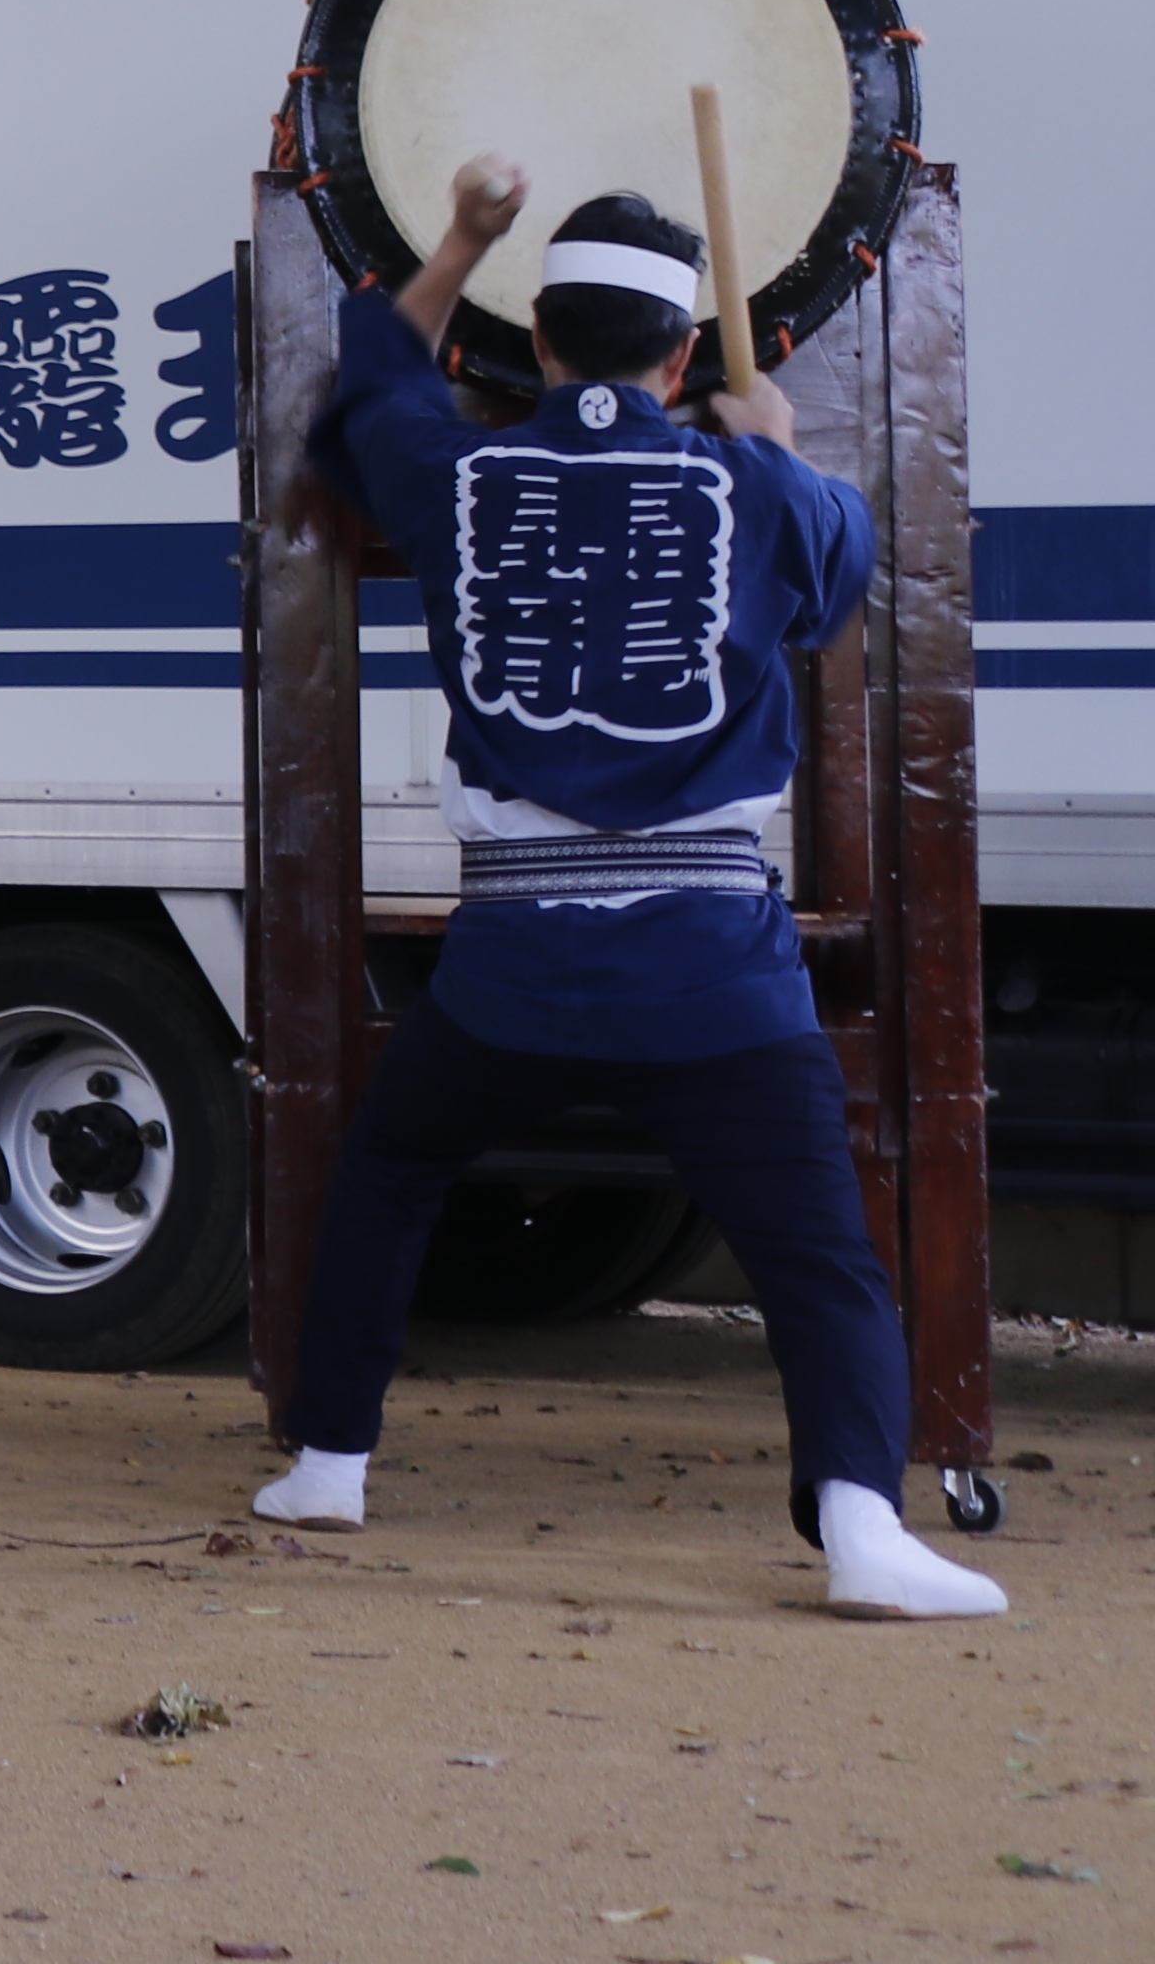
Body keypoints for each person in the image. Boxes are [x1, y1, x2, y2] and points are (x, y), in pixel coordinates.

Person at [253, 165, 1005, 1619]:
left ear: (538, 339)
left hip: (513, 967)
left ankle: (331, 1458)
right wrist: (775, 440)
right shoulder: (767, 490)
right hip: (712, 971)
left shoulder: (456, 474)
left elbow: (375, 378)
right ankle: (863, 1529)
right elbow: (835, 582)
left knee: (391, 1172)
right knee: (815, 1252)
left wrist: (461, 234)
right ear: (680, 360)